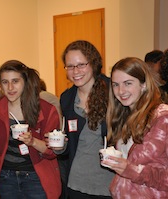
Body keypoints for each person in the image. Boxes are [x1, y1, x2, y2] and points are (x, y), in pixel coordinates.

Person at [105, 57, 168, 198]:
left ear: (144, 84)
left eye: (128, 83)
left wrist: (133, 171)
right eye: (115, 85)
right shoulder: (125, 116)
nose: (121, 91)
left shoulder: (165, 118)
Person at [0, 60, 62, 199]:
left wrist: (33, 141)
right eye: (5, 82)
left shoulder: (46, 110)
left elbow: (53, 151)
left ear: (25, 82)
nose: (10, 87)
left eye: (15, 81)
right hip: (6, 177)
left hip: (36, 177)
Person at [56, 40, 114, 199]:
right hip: (76, 183)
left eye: (81, 64)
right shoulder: (67, 98)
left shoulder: (113, 92)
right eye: (70, 66)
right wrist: (60, 147)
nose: (75, 71)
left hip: (108, 184)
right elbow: (71, 145)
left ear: (93, 64)